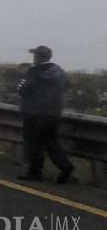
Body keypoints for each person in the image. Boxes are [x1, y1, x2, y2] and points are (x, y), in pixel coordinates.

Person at [16, 45, 75, 183]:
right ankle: (65, 166)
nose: (33, 58)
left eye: (35, 55)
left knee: (33, 144)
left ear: (39, 57)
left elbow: (23, 90)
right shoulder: (59, 73)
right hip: (53, 114)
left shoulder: (34, 72)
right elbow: (66, 87)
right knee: (51, 142)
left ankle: (34, 172)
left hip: (34, 113)